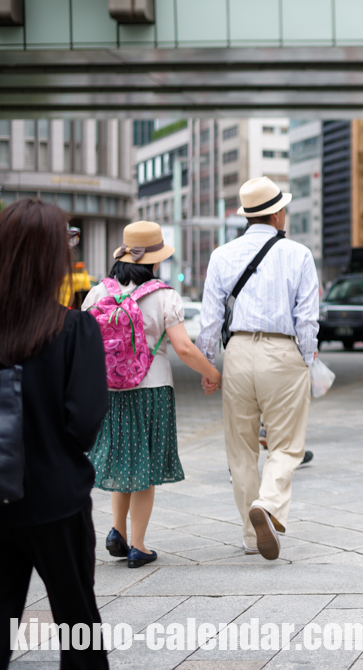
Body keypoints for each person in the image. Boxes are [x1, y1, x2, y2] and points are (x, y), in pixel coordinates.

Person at [0, 199, 111, 670]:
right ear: (54, 258)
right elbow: (84, 423)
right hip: (57, 502)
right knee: (78, 623)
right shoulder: (73, 330)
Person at [83, 222, 223, 568]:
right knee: (142, 467)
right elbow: (184, 348)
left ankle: (117, 531)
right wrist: (212, 373)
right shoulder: (164, 295)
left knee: (123, 461)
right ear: (154, 261)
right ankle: (139, 545)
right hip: (152, 388)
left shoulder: (100, 292)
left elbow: (82, 341)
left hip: (111, 390)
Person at [196, 177, 319, 561]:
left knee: (241, 449)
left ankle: (252, 536)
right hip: (283, 354)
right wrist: (308, 361)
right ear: (279, 212)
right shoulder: (298, 254)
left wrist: (208, 365)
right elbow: (308, 320)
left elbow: (210, 319)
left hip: (238, 351)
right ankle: (267, 504)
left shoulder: (221, 255)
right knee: (286, 445)